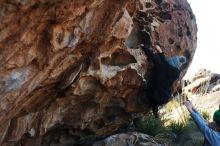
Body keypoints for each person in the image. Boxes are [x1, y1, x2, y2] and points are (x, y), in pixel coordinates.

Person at [141, 43, 187, 118]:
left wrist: (144, 47)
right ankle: (155, 114)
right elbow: (165, 63)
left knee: (148, 91)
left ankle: (141, 114)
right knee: (155, 100)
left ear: (170, 62)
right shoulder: (176, 74)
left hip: (151, 94)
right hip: (164, 97)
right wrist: (160, 52)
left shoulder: (161, 65)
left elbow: (153, 56)